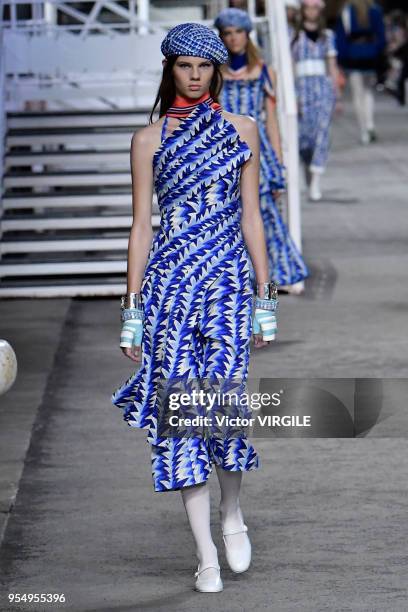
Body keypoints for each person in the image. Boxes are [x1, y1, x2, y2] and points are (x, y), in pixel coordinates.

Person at [111, 22, 279, 594]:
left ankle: (232, 513)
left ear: (216, 71)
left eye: (203, 66)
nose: (193, 75)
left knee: (224, 406)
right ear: (169, 70)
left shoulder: (244, 131)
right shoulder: (148, 140)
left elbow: (252, 217)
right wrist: (132, 307)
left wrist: (265, 296)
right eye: (183, 66)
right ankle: (205, 554)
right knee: (182, 417)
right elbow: (140, 227)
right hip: (170, 290)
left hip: (229, 285)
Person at [214, 7, 309, 293]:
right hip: (224, 150)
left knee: (264, 213)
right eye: (227, 34)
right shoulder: (214, 73)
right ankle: (237, 279)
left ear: (248, 35)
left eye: (238, 32)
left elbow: (272, 124)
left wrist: (278, 164)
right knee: (229, 216)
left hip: (258, 152)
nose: (233, 39)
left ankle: (269, 278)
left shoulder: (265, 72)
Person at [291, 0, 340, 201]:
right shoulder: (293, 36)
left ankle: (316, 182)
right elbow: (290, 66)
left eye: (315, 8)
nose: (311, 11)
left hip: (323, 90)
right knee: (304, 139)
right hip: (302, 90)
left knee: (322, 135)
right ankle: (309, 178)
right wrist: (292, 95)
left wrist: (336, 95)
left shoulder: (327, 36)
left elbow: (332, 65)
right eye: (308, 8)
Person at [335, 0, 386, 144]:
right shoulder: (375, 10)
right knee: (368, 92)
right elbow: (381, 35)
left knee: (358, 94)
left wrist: (343, 58)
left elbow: (341, 38)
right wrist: (376, 50)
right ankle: (369, 124)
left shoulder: (346, 11)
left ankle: (364, 129)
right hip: (369, 54)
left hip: (354, 55)